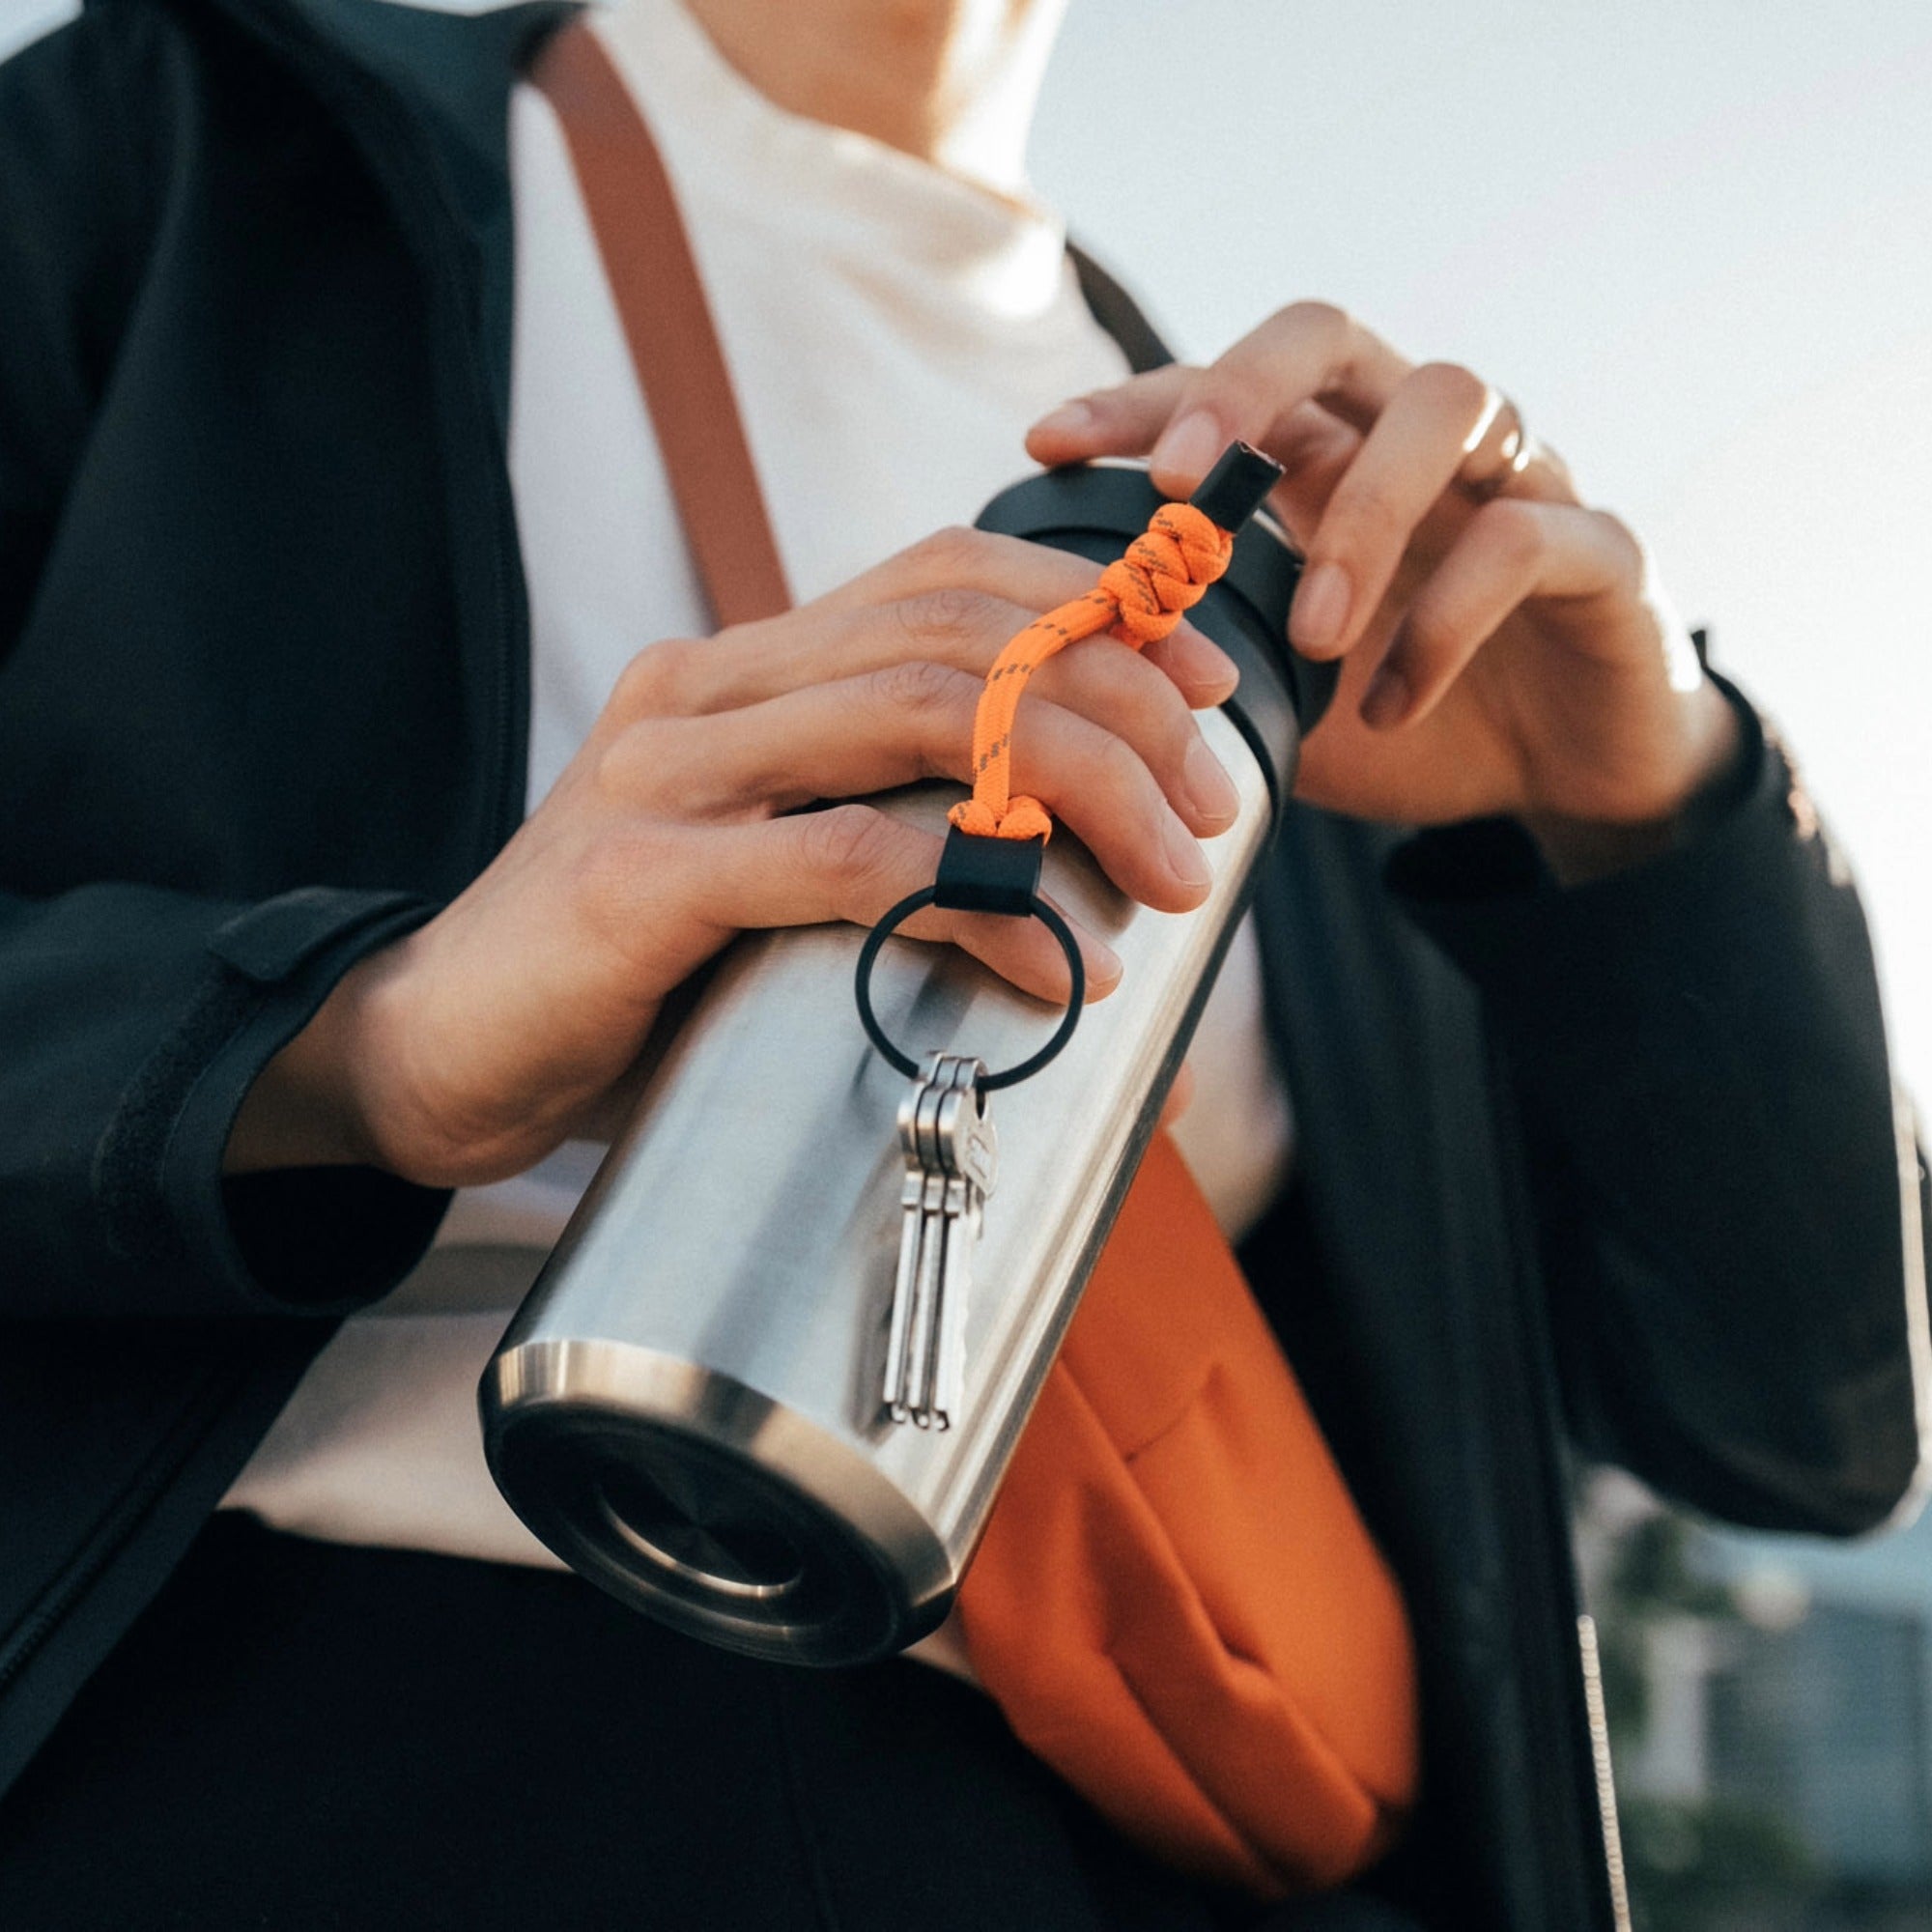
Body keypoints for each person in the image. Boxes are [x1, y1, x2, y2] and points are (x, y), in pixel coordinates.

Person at [0, 0, 1922, 1925]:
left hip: (1123, 1810)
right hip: (290, 1758)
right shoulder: (201, 151)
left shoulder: (1307, 543)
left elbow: (1801, 1425)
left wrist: (1649, 791)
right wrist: (366, 1041)